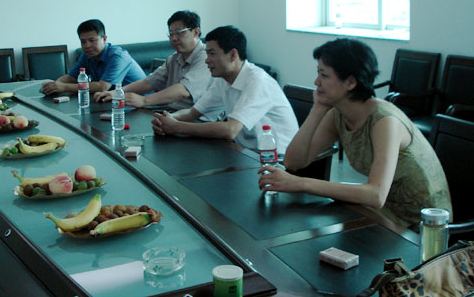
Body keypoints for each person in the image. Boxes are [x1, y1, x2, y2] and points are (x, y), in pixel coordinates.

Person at [260, 38, 452, 227]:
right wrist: (317, 110)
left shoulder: (385, 121)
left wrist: (301, 184)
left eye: (324, 75)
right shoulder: (337, 114)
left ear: (350, 82)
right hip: (382, 213)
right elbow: (293, 162)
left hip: (423, 224)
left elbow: (376, 195)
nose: (316, 82)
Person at [151, 25, 298, 153]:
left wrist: (177, 127)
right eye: (207, 54)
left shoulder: (258, 81)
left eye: (212, 53)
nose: (207, 60)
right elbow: (192, 113)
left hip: (277, 160)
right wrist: (167, 120)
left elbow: (230, 130)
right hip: (246, 154)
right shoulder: (222, 80)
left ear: (233, 55)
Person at [94, 11, 212, 110]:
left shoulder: (207, 56)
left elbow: (184, 90)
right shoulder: (174, 58)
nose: (174, 38)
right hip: (172, 112)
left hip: (199, 120)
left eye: (179, 33)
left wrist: (144, 100)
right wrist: (117, 92)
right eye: (171, 34)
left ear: (196, 32)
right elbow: (149, 82)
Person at [41, 19, 146, 95]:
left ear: (104, 39)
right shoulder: (87, 55)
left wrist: (64, 87)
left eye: (92, 40)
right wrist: (54, 85)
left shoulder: (118, 56)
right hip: (111, 100)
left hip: (139, 105)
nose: (87, 46)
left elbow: (102, 87)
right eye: (83, 42)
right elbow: (70, 77)